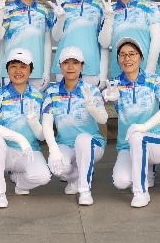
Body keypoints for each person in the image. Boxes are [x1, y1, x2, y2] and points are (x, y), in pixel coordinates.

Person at [103, 37, 160, 208]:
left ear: (140, 57)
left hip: (156, 140)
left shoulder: (153, 80)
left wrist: (144, 127)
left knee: (137, 137)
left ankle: (141, 192)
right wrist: (109, 97)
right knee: (120, 181)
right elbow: (107, 98)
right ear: (118, 59)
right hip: (127, 145)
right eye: (123, 55)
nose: (127, 58)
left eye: (132, 54)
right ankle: (146, 168)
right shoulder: (115, 83)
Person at [0, 48, 51, 208]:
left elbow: (42, 136)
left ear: (30, 70)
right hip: (4, 151)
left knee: (43, 177)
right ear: (7, 69)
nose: (18, 71)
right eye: (13, 66)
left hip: (29, 151)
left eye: (23, 67)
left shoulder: (39, 96)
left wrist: (34, 122)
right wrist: (20, 139)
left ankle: (20, 183)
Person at [42, 46, 109, 206]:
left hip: (91, 145)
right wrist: (53, 149)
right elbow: (46, 123)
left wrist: (93, 109)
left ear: (82, 66)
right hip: (65, 144)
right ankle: (77, 177)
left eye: (75, 63)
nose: (70, 67)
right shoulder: (52, 91)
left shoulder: (91, 90)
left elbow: (103, 119)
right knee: (56, 167)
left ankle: (84, 190)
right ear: (60, 65)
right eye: (66, 63)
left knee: (83, 139)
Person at [0, 0, 55, 90]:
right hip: (11, 73)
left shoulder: (44, 11)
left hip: (37, 72)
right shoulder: (7, 10)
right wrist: (0, 71)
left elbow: (47, 43)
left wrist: (46, 71)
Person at [50, 0, 110, 86]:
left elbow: (104, 43)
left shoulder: (100, 6)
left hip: (91, 67)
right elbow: (56, 37)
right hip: (65, 66)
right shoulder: (61, 4)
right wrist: (60, 19)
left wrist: (103, 74)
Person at [102, 0, 160, 79]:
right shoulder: (110, 10)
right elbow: (105, 44)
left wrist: (150, 69)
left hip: (146, 72)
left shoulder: (149, 6)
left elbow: (156, 39)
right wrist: (108, 19)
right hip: (119, 73)